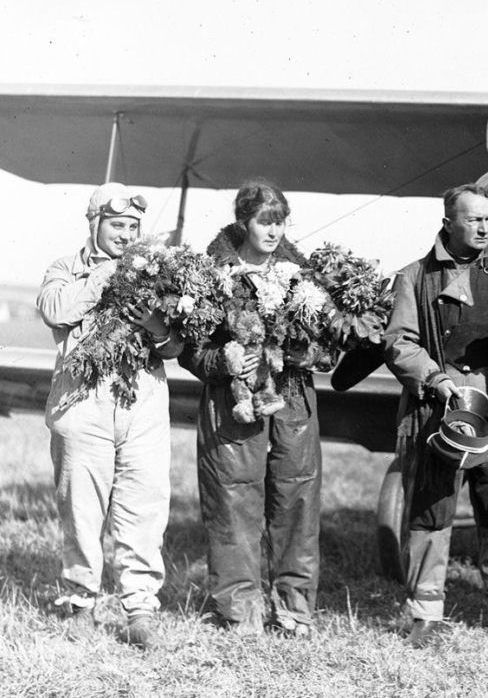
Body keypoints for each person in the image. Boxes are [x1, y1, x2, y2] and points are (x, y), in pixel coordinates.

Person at [383, 183, 488, 647]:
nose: (483, 226)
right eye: (473, 219)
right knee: (431, 508)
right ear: (448, 223)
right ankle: (425, 609)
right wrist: (435, 379)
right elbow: (400, 342)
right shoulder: (414, 277)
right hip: (439, 407)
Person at [38, 182, 182, 649]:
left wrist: (158, 326)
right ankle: (80, 602)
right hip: (82, 403)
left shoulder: (157, 272)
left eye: (134, 227)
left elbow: (177, 345)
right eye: (117, 225)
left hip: (142, 402)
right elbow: (56, 310)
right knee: (81, 508)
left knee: (144, 505)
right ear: (94, 224)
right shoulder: (66, 268)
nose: (125, 234)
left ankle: (139, 609)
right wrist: (110, 276)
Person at [179, 179, 324, 637]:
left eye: (280, 221)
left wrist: (300, 355)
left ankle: (295, 609)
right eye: (265, 220)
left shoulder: (304, 279)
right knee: (233, 498)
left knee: (296, 497)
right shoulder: (211, 276)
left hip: (293, 397)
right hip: (231, 401)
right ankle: (239, 610)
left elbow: (327, 348)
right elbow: (191, 349)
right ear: (244, 221)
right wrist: (222, 359)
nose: (274, 230)